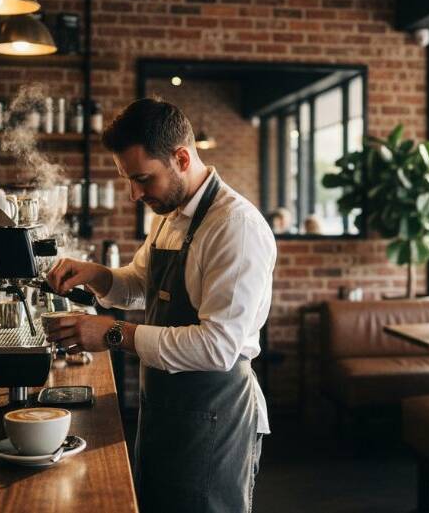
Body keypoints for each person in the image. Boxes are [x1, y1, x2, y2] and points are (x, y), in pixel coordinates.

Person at [45, 98, 277, 513]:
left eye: (142, 179)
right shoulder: (169, 214)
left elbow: (217, 346)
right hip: (166, 403)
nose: (135, 194)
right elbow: (140, 285)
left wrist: (112, 333)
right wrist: (95, 274)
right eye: (127, 180)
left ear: (181, 158)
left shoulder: (234, 228)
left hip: (214, 412)